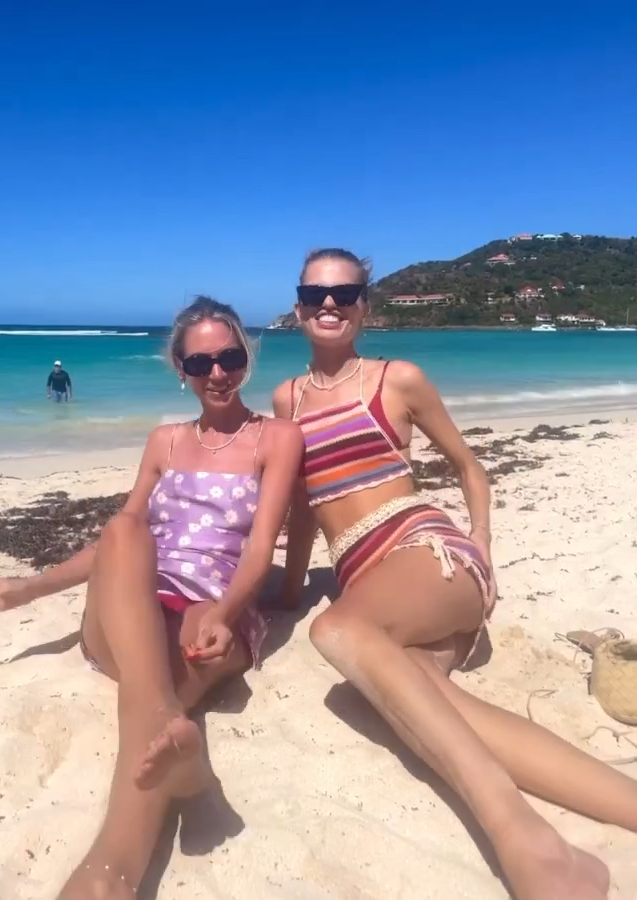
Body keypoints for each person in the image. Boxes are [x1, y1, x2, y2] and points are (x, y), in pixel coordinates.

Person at [273, 248, 637, 900]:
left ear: (364, 307)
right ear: (298, 306)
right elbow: (303, 506)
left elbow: (469, 465)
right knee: (431, 699)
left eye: (345, 293)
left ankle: (523, 836)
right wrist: (290, 587)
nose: (329, 303)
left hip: (427, 550)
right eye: (315, 293)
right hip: (371, 582)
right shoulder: (287, 400)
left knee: (337, 632)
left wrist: (481, 542)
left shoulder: (397, 379)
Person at [0, 296, 304, 900]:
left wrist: (225, 611)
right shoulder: (164, 441)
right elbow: (116, 548)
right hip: (129, 611)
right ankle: (180, 751)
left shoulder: (278, 437)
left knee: (161, 670)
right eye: (201, 363)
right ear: (181, 370)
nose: (218, 372)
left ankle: (109, 875)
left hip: (210, 612)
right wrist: (26, 589)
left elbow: (261, 547)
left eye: (230, 357)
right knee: (123, 528)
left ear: (247, 356)